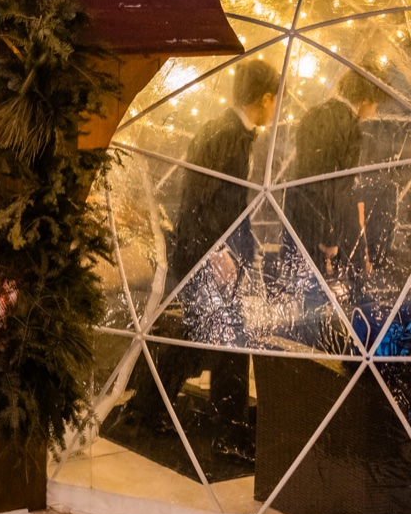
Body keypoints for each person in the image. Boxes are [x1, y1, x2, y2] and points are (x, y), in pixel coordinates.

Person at [107, 61, 278, 455]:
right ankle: (229, 436)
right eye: (275, 100)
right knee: (230, 345)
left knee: (192, 340)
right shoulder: (230, 136)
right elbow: (210, 202)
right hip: (209, 258)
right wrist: (221, 254)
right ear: (265, 98)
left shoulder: (225, 130)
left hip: (204, 254)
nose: (276, 109)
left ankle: (145, 410)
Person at [280, 67, 384, 284]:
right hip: (322, 219)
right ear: (365, 100)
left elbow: (307, 171)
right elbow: (338, 186)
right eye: (376, 104)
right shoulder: (350, 128)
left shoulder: (313, 113)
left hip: (297, 211)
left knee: (297, 282)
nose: (374, 111)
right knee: (321, 289)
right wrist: (330, 237)